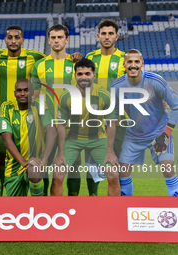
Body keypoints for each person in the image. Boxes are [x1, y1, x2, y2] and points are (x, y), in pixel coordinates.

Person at [66, 19, 126, 197]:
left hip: (115, 118)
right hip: (88, 116)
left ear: (117, 36)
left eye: (110, 34)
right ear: (98, 36)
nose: (107, 37)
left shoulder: (124, 59)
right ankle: (85, 199)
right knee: (81, 161)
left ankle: (115, 204)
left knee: (113, 164)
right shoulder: (90, 57)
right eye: (104, 34)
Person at [111, 49, 178, 197]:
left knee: (167, 168)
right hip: (134, 135)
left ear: (142, 63)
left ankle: (175, 205)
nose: (133, 65)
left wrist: (166, 132)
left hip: (159, 132)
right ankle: (124, 208)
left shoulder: (156, 81)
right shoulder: (117, 86)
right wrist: (111, 146)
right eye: (129, 62)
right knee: (123, 171)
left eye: (136, 61)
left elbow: (176, 106)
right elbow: (113, 117)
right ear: (124, 64)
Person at [0, 25, 46, 194]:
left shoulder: (35, 57)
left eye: (17, 37)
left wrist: (73, 58)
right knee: (0, 161)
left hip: (28, 115)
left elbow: (53, 62)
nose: (13, 41)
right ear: (5, 40)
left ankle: (44, 199)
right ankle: (1, 202)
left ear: (22, 40)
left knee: (38, 162)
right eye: (10, 37)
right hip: (3, 115)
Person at [52, 58, 120, 196]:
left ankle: (114, 214)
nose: (83, 77)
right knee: (57, 175)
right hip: (73, 139)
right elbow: (61, 125)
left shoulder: (104, 96)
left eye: (87, 74)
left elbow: (111, 124)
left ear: (94, 75)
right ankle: (56, 213)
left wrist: (110, 152)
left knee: (113, 175)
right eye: (80, 74)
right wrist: (60, 153)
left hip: (98, 139)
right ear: (75, 76)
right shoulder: (66, 96)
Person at [31, 24, 82, 196]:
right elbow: (36, 97)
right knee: (46, 169)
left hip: (72, 125)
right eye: (53, 37)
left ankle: (73, 208)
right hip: (46, 126)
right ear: (48, 40)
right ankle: (49, 209)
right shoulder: (39, 65)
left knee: (73, 167)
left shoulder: (76, 64)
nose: (56, 40)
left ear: (67, 40)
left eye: (60, 37)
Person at [0, 79, 57, 196]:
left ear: (32, 92)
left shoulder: (40, 105)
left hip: (37, 161)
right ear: (14, 93)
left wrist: (43, 161)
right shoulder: (6, 107)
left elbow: (52, 131)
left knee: (34, 172)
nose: (22, 93)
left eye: (26, 90)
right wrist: (25, 163)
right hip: (14, 164)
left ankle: (38, 207)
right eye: (19, 91)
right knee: (15, 208)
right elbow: (6, 139)